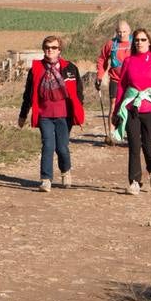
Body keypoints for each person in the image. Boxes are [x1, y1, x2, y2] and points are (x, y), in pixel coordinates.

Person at [111, 29, 151, 195]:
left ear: (149, 42)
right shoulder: (128, 61)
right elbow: (122, 87)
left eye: (143, 39)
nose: (139, 43)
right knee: (134, 145)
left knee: (149, 147)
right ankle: (134, 182)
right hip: (132, 108)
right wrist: (117, 110)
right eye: (137, 40)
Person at [18, 35, 85, 191]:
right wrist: (23, 115)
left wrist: (78, 109)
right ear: (43, 49)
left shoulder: (69, 68)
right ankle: (46, 179)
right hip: (44, 114)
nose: (50, 50)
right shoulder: (36, 69)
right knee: (48, 145)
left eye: (54, 48)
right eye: (47, 47)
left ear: (59, 50)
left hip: (64, 114)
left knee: (62, 147)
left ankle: (65, 170)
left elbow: (78, 92)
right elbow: (28, 94)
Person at [94, 19, 133, 107]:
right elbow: (102, 60)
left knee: (130, 105)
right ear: (116, 32)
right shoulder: (111, 44)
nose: (122, 35)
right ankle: (112, 121)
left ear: (129, 31)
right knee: (114, 105)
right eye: (119, 32)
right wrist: (99, 76)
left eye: (124, 32)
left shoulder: (135, 43)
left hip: (132, 80)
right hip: (115, 79)